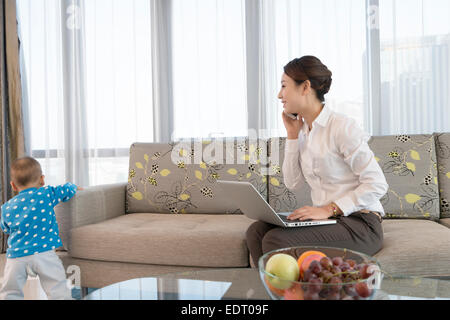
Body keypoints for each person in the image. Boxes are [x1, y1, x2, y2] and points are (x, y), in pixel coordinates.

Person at [246, 56, 388, 267]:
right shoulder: (304, 131)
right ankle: (273, 292)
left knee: (276, 240)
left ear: (305, 87)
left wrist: (330, 209)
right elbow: (293, 183)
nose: (279, 95)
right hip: (329, 223)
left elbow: (377, 184)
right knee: (257, 231)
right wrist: (293, 136)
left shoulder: (342, 127)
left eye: (284, 86)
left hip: (360, 224)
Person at [0, 156, 82, 300]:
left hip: (16, 257)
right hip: (44, 253)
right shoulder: (46, 193)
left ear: (13, 185)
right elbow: (65, 190)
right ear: (42, 179)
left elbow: (5, 228)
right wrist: (73, 187)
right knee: (57, 288)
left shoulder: (7, 207)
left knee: (10, 291)